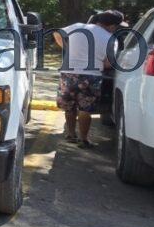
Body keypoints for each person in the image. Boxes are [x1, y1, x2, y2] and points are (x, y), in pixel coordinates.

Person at [52, 10, 126, 149]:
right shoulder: (111, 39)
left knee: (69, 106)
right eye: (116, 26)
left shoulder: (77, 27)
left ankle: (70, 134)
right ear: (111, 26)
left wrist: (68, 49)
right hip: (91, 76)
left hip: (68, 73)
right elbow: (109, 63)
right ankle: (83, 139)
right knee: (85, 108)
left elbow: (56, 33)